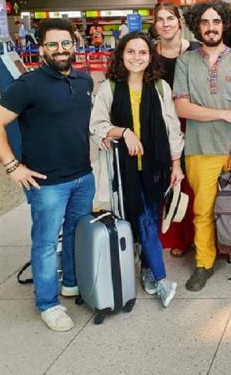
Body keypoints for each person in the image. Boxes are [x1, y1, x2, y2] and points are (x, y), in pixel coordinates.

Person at [0, 19, 95, 331]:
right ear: (42, 48)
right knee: (45, 244)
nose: (61, 50)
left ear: (75, 44)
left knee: (75, 234)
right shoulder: (28, 85)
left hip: (84, 176)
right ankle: (47, 303)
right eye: (53, 45)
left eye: (66, 43)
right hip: (46, 184)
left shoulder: (84, 80)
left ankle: (72, 283)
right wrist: (12, 166)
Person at [89, 31, 184, 308]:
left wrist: (176, 164)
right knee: (144, 221)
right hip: (125, 171)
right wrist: (123, 132)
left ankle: (146, 270)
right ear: (121, 55)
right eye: (130, 52)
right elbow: (96, 126)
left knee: (150, 221)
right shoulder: (108, 88)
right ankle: (162, 278)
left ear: (150, 56)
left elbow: (172, 128)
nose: (136, 57)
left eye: (142, 52)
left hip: (156, 168)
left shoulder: (160, 88)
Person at [173, 0, 231, 291]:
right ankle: (203, 263)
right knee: (203, 210)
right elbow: (182, 108)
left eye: (216, 22)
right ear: (197, 26)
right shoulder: (186, 61)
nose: (211, 28)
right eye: (205, 23)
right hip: (199, 149)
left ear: (224, 24)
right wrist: (221, 113)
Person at [153, 1, 201, 257]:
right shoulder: (149, 55)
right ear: (155, 25)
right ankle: (177, 237)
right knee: (170, 179)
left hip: (192, 122)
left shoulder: (195, 51)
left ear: (179, 23)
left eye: (170, 18)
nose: (166, 24)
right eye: (160, 19)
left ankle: (198, 235)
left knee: (194, 181)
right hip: (162, 125)